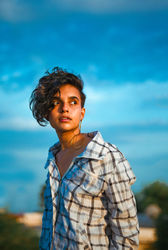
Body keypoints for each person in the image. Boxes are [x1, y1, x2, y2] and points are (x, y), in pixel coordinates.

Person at [30, 67, 139, 249]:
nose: (65, 108)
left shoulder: (107, 156)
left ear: (82, 113)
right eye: (56, 102)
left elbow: (125, 232)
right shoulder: (52, 158)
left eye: (73, 102)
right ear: (47, 114)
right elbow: (49, 227)